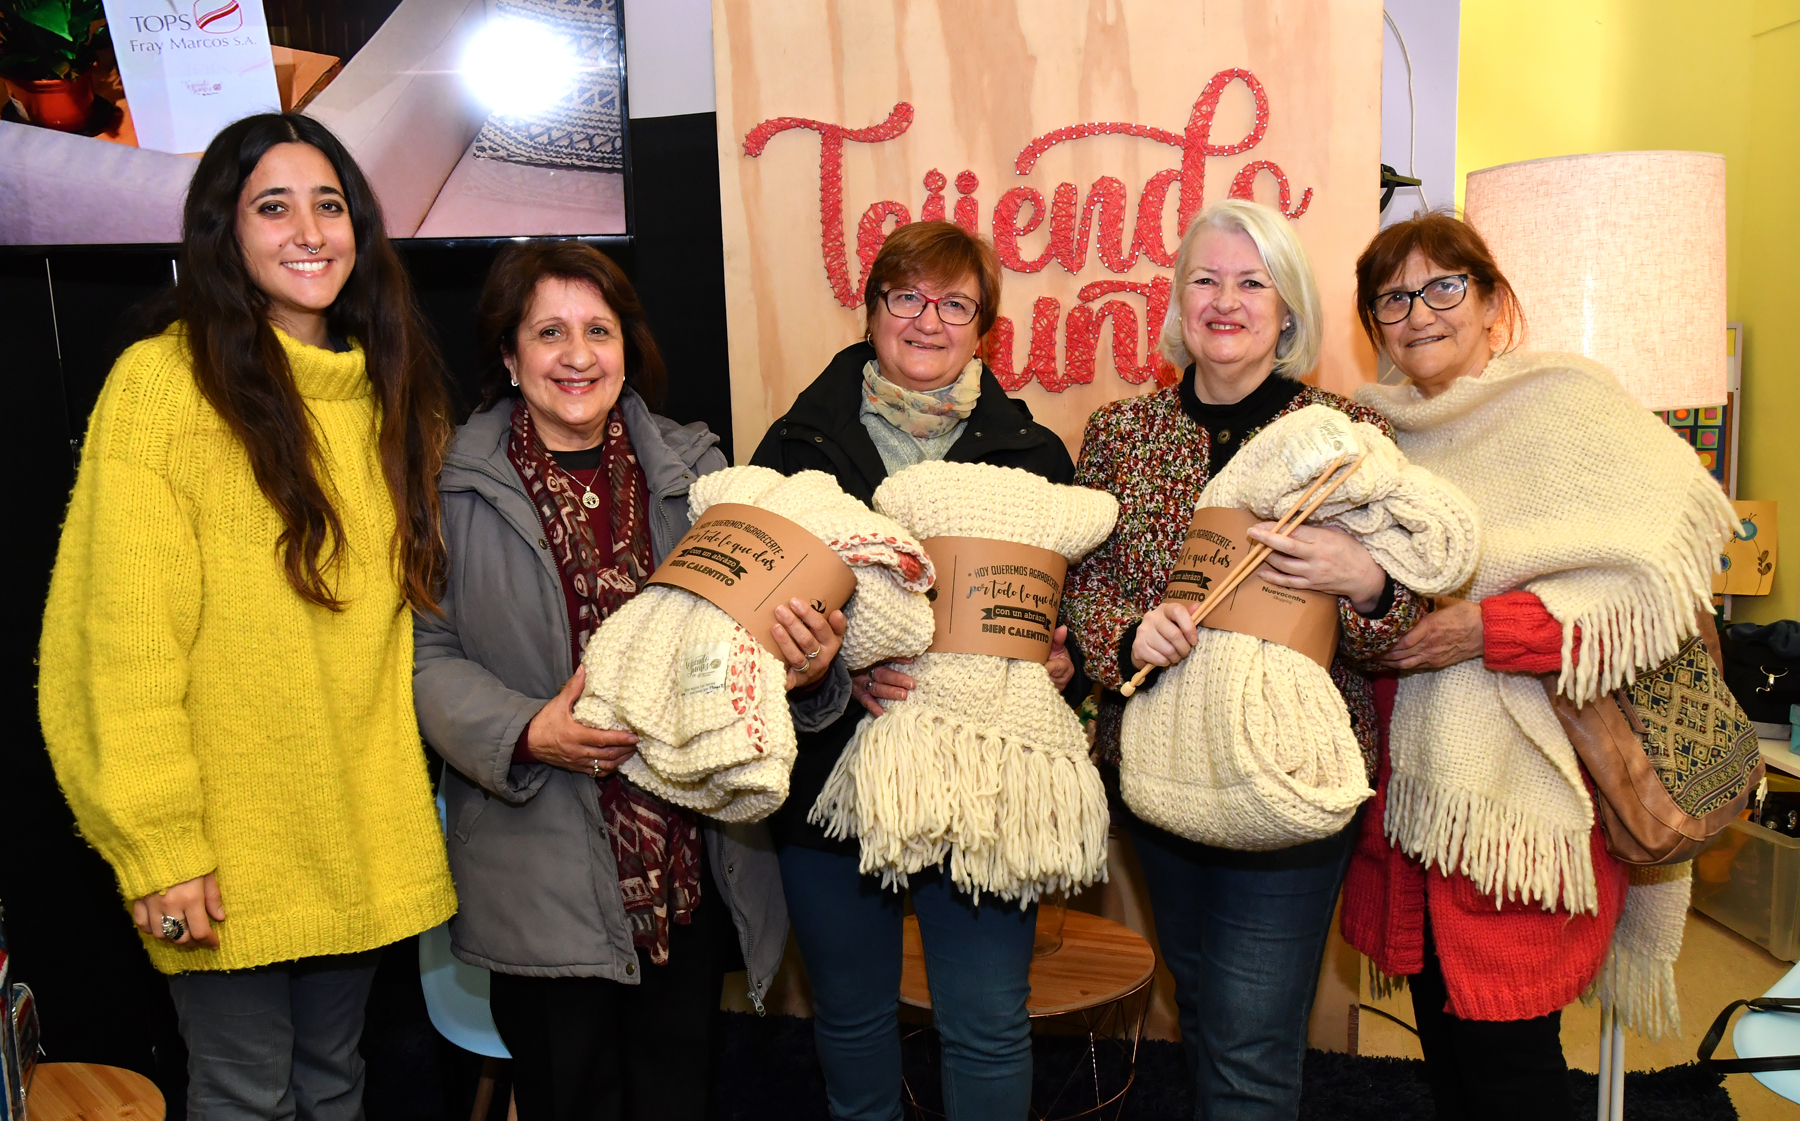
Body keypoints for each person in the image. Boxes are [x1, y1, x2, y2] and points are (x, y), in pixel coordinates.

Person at [38, 113, 458, 1118]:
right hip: (219, 852)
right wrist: (160, 844)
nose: (309, 231)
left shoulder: (392, 396)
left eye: (330, 204)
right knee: (244, 1094)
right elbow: (120, 648)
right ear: (225, 231)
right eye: (274, 206)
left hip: (356, 834)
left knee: (335, 1082)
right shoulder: (165, 387)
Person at [412, 240, 848, 1121]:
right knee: (569, 1097)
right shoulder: (448, 487)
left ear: (626, 346)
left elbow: (753, 642)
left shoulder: (703, 476)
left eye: (599, 330)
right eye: (549, 332)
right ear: (509, 356)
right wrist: (527, 731)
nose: (578, 354)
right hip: (537, 864)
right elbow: (424, 656)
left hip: (688, 863)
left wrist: (808, 668)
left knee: (678, 1097)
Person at [1339, 212, 1733, 1120]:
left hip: (1525, 813)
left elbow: (1650, 595)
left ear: (1491, 301)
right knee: (1450, 1058)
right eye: (1393, 297)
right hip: (1412, 805)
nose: (1419, 312)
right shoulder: (1369, 434)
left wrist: (1488, 629)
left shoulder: (1566, 402)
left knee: (1510, 1063)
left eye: (1444, 286)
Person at [1060, 198, 1423, 1120]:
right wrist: (1127, 634)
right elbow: (1083, 587)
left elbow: (1396, 623)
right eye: (1206, 280)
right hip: (1162, 768)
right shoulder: (1121, 433)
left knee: (1253, 1039)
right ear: (1179, 301)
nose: (1226, 301)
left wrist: (1365, 580)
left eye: (1252, 282)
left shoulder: (1349, 437)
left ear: (1288, 307)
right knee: (1203, 1004)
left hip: (1294, 775)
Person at [751, 220, 1077, 1121]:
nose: (928, 321)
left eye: (955, 305)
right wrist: (833, 675)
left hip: (982, 778)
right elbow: (753, 620)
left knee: (988, 1022)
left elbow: (1073, 613)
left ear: (984, 330)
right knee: (852, 1014)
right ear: (872, 311)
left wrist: (1067, 658)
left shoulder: (1036, 455)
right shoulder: (796, 445)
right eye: (907, 297)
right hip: (832, 774)